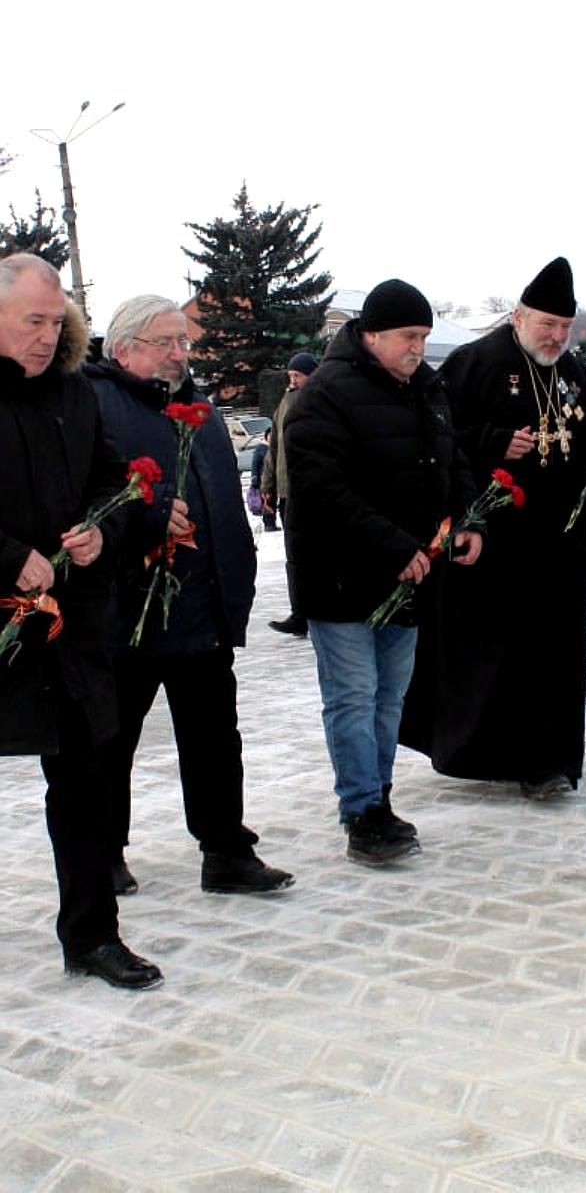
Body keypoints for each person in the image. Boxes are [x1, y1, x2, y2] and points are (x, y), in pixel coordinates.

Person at [87, 295, 294, 895]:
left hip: (202, 608)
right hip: (129, 610)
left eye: (183, 341)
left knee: (214, 741)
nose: (180, 353)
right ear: (123, 348)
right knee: (111, 744)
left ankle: (225, 850)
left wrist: (238, 576)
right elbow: (82, 499)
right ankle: (102, 853)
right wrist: (145, 515)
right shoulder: (95, 404)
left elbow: (222, 499)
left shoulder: (199, 409)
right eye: (165, 342)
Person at [401, 257, 586, 800]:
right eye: (547, 324)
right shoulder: (476, 362)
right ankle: (494, 754)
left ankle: (549, 762)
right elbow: (435, 437)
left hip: (557, 545)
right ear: (519, 316)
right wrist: (492, 441)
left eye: (565, 327)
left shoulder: (572, 374)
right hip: (495, 544)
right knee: (500, 657)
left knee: (553, 657)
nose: (557, 336)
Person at [0, 254, 162, 990]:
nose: (47, 336)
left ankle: (93, 936)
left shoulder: (75, 392)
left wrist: (102, 528)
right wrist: (8, 557)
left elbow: (111, 480)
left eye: (55, 322)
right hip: (3, 621)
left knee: (87, 782)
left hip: (70, 629)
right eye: (32, 321)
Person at [284, 279, 482, 864]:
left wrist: (468, 520)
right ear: (371, 335)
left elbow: (454, 460)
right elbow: (323, 489)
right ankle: (361, 811)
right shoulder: (324, 395)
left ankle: (380, 798)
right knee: (353, 696)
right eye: (407, 336)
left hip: (409, 574)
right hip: (342, 577)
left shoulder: (426, 388)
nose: (418, 347)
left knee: (390, 698)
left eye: (423, 336)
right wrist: (394, 545)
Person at [262, 352, 318, 636]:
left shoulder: (319, 399)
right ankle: (300, 613)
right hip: (287, 492)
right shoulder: (285, 402)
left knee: (311, 557)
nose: (293, 381)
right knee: (295, 558)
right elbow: (274, 450)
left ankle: (313, 611)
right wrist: (268, 487)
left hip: (310, 491)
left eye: (298, 376)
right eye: (291, 376)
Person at [250, 428, 277, 531]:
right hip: (264, 480)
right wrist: (254, 480)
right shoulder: (260, 449)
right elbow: (255, 465)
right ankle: (269, 524)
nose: (271, 437)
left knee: (273, 501)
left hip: (274, 480)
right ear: (266, 437)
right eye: (269, 435)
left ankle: (272, 522)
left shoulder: (275, 449)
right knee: (267, 501)